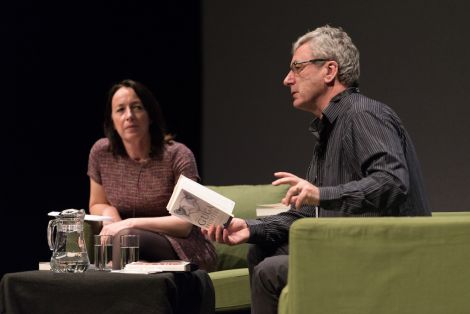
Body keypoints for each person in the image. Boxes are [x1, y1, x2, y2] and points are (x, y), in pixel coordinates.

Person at [204, 25, 431, 314]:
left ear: (329, 70)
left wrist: (321, 194)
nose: (287, 79)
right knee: (259, 250)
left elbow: (392, 182)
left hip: (384, 254)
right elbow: (306, 214)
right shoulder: (330, 129)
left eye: (297, 67)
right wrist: (248, 227)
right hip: (352, 248)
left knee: (270, 272)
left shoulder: (362, 115)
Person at [88, 79, 216, 271]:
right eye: (120, 110)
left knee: (128, 237)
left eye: (137, 107)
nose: (129, 116)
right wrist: (110, 214)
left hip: (184, 246)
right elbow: (97, 203)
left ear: (150, 115)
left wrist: (128, 224)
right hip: (128, 246)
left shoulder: (178, 155)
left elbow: (184, 223)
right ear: (112, 121)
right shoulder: (101, 153)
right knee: (126, 241)